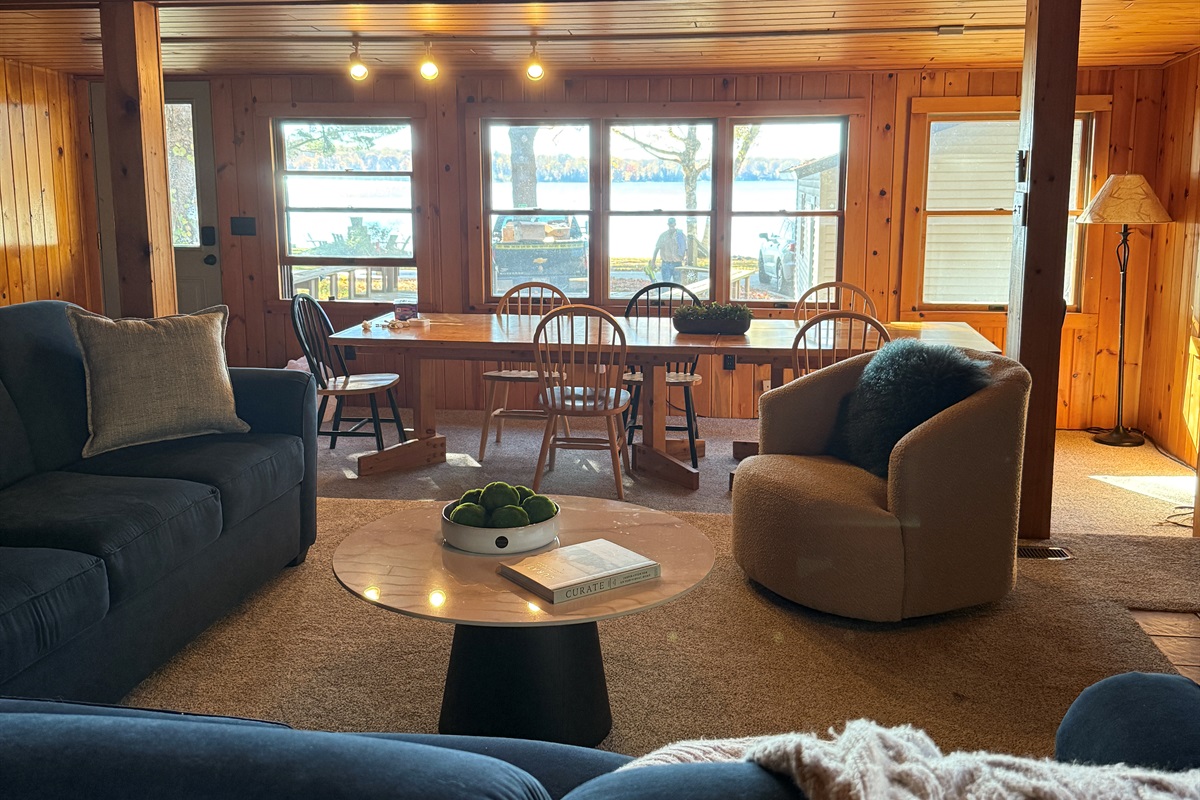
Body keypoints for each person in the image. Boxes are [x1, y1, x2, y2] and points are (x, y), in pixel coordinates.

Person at [649, 217, 686, 283]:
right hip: (666, 264)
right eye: (670, 224)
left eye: (673, 224)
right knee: (665, 285)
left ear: (675, 224)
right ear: (668, 224)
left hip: (677, 264)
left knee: (678, 286)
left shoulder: (681, 235)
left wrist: (687, 260)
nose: (671, 226)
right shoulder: (663, 236)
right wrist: (653, 262)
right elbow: (657, 249)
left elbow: (686, 249)